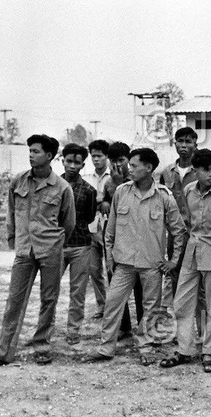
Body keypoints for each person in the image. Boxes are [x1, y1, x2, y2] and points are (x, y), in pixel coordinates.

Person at [0, 134, 75, 369]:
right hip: (24, 250)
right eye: (30, 151)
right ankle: (4, 351)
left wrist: (55, 242)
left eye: (36, 151)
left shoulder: (62, 187)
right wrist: (15, 239)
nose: (31, 155)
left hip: (50, 250)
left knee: (49, 299)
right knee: (15, 300)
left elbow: (68, 222)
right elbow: (11, 214)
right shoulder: (18, 182)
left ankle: (42, 346)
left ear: (49, 156)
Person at [84, 148, 187, 365]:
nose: (129, 169)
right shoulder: (121, 192)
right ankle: (106, 347)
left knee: (151, 307)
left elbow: (179, 231)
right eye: (129, 165)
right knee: (113, 303)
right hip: (123, 263)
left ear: (148, 168)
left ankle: (145, 346)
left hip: (152, 264)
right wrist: (109, 258)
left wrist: (173, 261)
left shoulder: (164, 196)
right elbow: (110, 230)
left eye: (134, 165)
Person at [160, 149, 211, 373]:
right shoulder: (188, 191)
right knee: (182, 301)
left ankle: (209, 352)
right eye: (206, 170)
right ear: (195, 171)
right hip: (192, 252)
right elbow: (187, 222)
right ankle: (184, 350)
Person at [159, 127, 211, 312]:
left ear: (195, 144)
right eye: (180, 141)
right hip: (177, 233)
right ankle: (180, 314)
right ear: (174, 143)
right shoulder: (168, 172)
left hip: (205, 236)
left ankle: (202, 321)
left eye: (188, 142)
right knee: (178, 276)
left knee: (205, 287)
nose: (183, 146)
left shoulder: (205, 167)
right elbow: (161, 198)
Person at [101, 142, 143, 337]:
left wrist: (119, 184)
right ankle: (124, 326)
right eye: (113, 160)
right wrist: (104, 202)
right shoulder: (109, 183)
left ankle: (144, 327)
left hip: (137, 237)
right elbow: (107, 206)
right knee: (116, 284)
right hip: (116, 238)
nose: (117, 164)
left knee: (141, 285)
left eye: (121, 160)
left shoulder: (138, 180)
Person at [59, 144, 97, 345]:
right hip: (56, 245)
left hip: (81, 245)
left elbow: (90, 217)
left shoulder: (89, 190)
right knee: (49, 290)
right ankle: (44, 329)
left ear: (83, 165)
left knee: (78, 291)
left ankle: (73, 330)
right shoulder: (53, 186)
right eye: (69, 161)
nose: (72, 166)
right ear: (62, 161)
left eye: (77, 162)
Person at [83, 139, 111, 320]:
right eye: (93, 156)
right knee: (94, 270)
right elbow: (86, 202)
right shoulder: (87, 178)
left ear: (106, 156)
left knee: (111, 269)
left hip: (110, 229)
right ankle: (102, 305)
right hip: (92, 228)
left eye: (99, 156)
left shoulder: (113, 177)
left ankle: (114, 306)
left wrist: (102, 201)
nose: (96, 159)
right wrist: (101, 201)